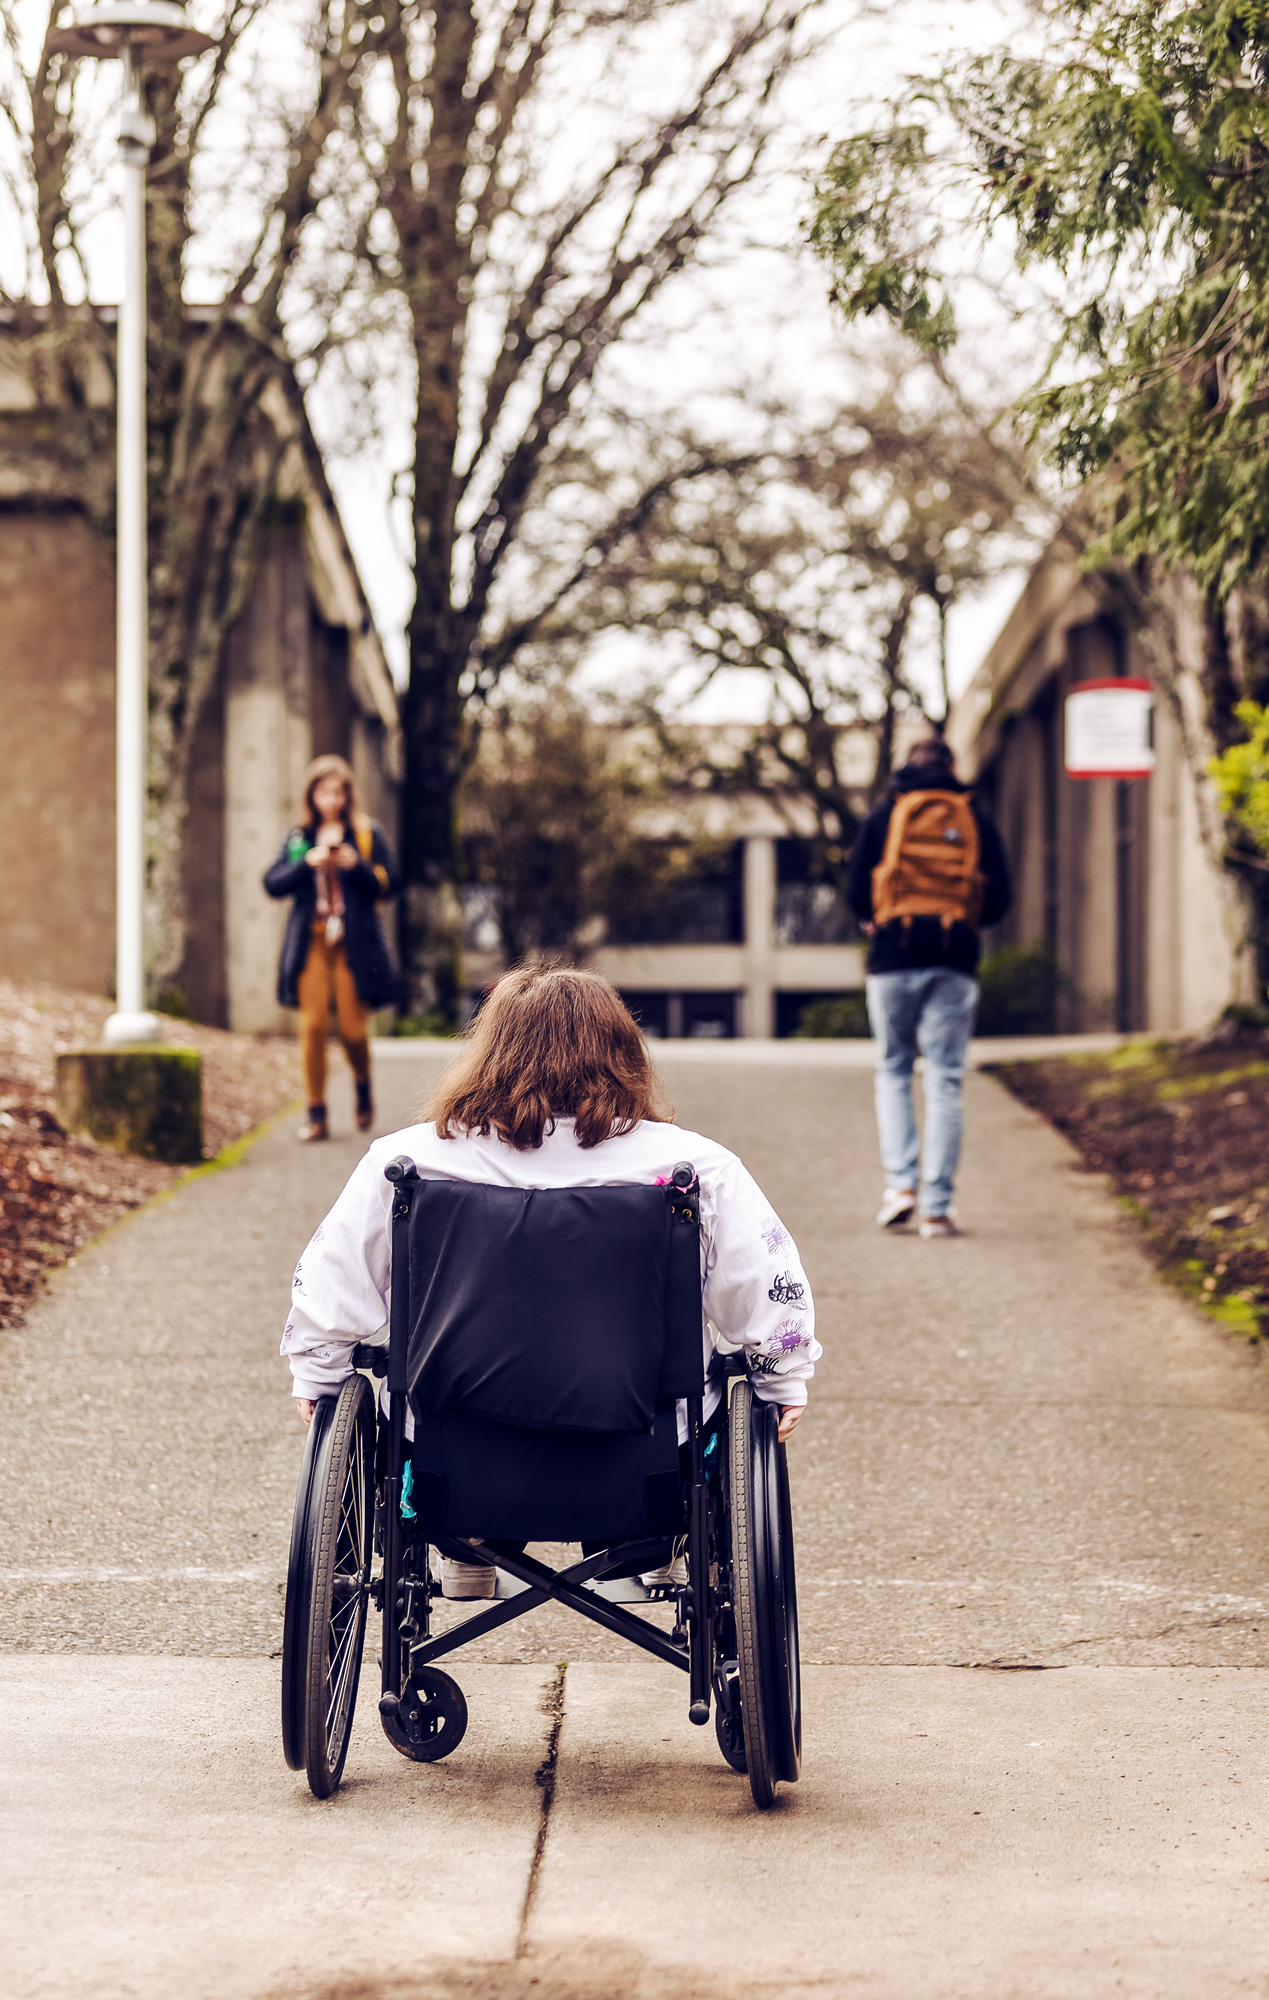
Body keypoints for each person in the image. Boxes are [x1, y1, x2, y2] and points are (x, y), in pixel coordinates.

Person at [281, 964, 819, 1597]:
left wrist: (318, 1374)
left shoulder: (408, 1164)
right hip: (644, 1465)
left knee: (423, 1421)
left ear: (488, 1053)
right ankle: (641, 1544)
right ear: (622, 1054)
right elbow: (766, 1290)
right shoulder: (693, 1167)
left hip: (452, 1465)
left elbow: (330, 1285)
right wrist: (781, 1378)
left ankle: (475, 1545)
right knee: (710, 1409)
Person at [846, 734, 1012, 1238]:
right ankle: (938, 1208)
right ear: (952, 766)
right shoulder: (974, 817)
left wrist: (874, 918)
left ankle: (901, 1188)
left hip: (893, 957)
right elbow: (1000, 899)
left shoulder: (883, 814)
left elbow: (856, 892)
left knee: (894, 1069)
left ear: (905, 768)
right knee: (945, 1079)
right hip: (953, 959)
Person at [263, 755, 401, 1143]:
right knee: (313, 1025)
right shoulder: (299, 836)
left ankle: (361, 1083)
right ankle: (316, 1112)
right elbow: (272, 884)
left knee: (355, 1032)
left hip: (353, 944)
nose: (330, 800)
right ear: (312, 795)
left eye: (337, 792)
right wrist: (307, 863)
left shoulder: (366, 832)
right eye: (322, 792)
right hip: (313, 940)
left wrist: (355, 864)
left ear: (347, 795)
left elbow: (389, 883)